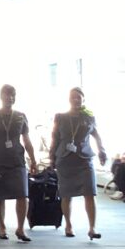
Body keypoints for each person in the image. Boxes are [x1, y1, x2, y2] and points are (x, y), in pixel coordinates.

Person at [0, 85, 39, 242]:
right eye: (7, 95)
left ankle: (20, 228)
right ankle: (2, 227)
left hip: (17, 160)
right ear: (1, 96)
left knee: (23, 194)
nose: (10, 98)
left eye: (12, 95)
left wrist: (33, 160)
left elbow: (26, 140)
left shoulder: (21, 116)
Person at [49, 88, 108, 240]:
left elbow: (97, 136)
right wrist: (52, 157)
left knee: (90, 192)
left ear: (83, 99)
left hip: (85, 159)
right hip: (65, 159)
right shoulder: (60, 117)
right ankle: (68, 225)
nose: (76, 100)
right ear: (69, 99)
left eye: (79, 97)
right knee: (66, 194)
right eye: (73, 97)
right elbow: (55, 137)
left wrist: (102, 151)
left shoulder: (88, 117)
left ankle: (92, 228)